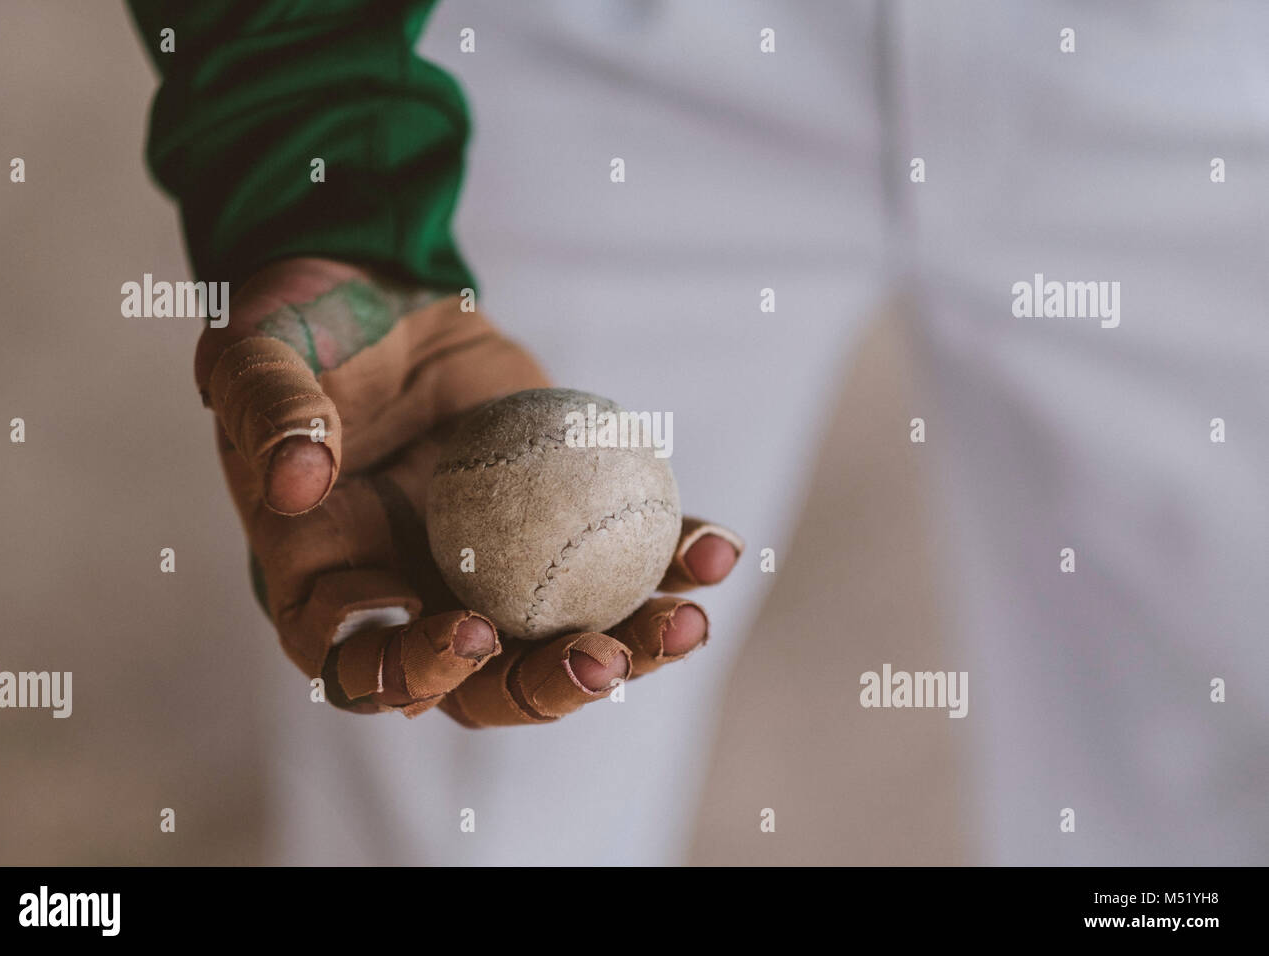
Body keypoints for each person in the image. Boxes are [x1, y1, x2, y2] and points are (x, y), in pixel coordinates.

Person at [131, 0, 1268, 864]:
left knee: (1226, 755)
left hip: (1211, 84)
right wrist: (321, 162)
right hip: (595, 62)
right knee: (466, 794)